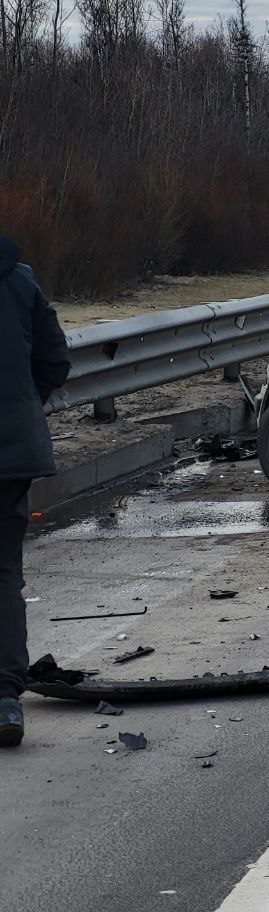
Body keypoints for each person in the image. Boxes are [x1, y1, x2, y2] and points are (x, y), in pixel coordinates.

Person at [0, 234, 69, 747]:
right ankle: (5, 700)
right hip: (11, 455)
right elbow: (54, 361)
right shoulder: (18, 282)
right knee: (3, 573)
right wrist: (25, 406)